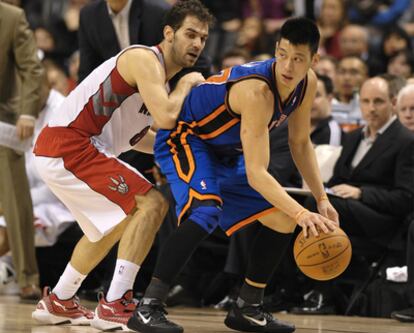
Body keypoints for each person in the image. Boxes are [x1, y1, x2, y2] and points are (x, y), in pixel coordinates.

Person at [128, 17, 339, 333]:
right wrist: (302, 212)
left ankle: (248, 307)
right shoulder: (258, 92)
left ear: (314, 61)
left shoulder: (307, 82)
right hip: (187, 138)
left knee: (282, 219)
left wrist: (320, 199)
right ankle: (148, 306)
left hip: (224, 153)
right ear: (276, 50)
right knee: (206, 211)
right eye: (283, 54)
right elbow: (256, 174)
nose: (288, 65)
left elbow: (300, 143)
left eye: (298, 59)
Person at [31, 1, 213, 331]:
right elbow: (167, 117)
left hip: (72, 148)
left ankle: (59, 299)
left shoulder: (161, 84)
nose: (198, 44)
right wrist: (188, 84)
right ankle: (115, 303)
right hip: (71, 144)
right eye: (190, 34)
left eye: (203, 37)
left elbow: (139, 138)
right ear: (169, 33)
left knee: (111, 224)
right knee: (152, 203)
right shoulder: (144, 59)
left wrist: (180, 159)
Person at [0, 1, 44, 300]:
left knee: (16, 201)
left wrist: (28, 112)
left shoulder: (12, 17)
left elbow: (32, 68)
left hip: (2, 121)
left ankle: (28, 276)